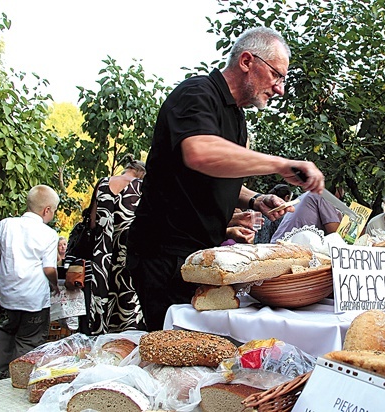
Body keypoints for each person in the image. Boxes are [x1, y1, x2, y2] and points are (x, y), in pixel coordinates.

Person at [126, 26, 325, 331]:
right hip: (165, 255)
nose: (279, 88)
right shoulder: (196, 93)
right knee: (174, 348)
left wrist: (256, 199)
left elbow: (217, 175)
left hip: (202, 255)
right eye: (276, 75)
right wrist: (280, 164)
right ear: (247, 61)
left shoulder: (236, 117)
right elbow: (201, 154)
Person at [0, 185, 60, 382]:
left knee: (7, 329)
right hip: (33, 298)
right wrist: (55, 285)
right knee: (29, 338)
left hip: (8, 295)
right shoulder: (49, 234)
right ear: (47, 210)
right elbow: (48, 269)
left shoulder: (5, 225)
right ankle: (17, 379)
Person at [84, 156, 147, 335]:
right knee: (127, 297)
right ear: (141, 173)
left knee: (101, 293)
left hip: (102, 251)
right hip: (127, 250)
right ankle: (126, 342)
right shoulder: (141, 186)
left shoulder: (103, 183)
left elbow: (93, 222)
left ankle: (100, 335)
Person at [270, 189, 342, 243]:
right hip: (286, 249)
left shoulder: (307, 195)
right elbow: (336, 235)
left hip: (277, 245)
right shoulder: (323, 195)